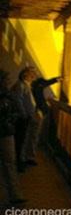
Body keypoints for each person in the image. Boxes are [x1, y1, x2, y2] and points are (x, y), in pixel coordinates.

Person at [0, 69, 26, 204]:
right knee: (9, 163)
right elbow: (17, 112)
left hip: (6, 132)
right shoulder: (9, 96)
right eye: (6, 79)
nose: (8, 82)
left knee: (9, 162)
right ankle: (14, 194)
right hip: (6, 131)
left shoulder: (9, 95)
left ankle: (14, 194)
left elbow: (17, 112)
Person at [10, 67, 40, 171]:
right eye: (32, 73)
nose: (34, 75)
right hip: (23, 117)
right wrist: (24, 114)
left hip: (27, 116)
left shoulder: (26, 85)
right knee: (20, 140)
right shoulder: (21, 85)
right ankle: (18, 163)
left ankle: (22, 160)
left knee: (24, 139)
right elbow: (18, 100)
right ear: (25, 74)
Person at [31, 73, 61, 146]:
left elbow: (46, 83)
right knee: (42, 127)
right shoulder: (38, 86)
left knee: (39, 128)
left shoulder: (33, 86)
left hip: (38, 109)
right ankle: (41, 142)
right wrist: (56, 79)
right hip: (42, 109)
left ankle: (39, 142)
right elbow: (46, 83)